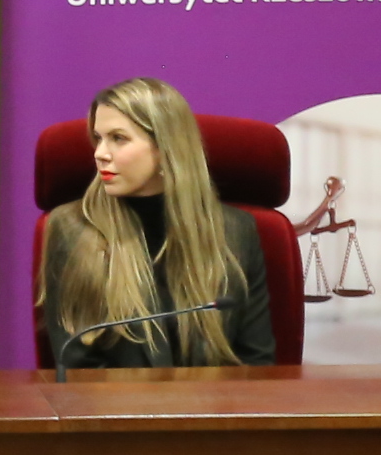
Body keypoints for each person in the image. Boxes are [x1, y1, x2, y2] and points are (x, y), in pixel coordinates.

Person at [36, 76, 278, 370]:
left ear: (165, 148)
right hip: (113, 399)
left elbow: (256, 362)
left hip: (216, 398)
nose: (100, 153)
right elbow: (78, 366)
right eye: (98, 138)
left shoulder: (236, 231)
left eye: (118, 138)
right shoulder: (72, 228)